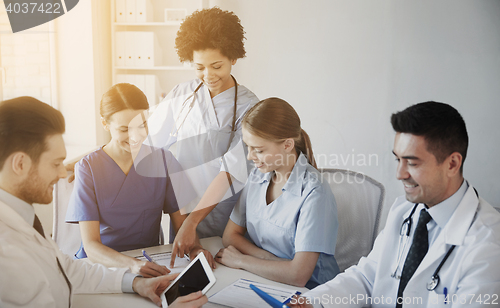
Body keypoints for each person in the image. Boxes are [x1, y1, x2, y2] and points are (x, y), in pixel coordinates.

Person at [0, 97, 207, 308]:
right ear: (20, 163)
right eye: (55, 163)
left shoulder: (24, 221)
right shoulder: (7, 250)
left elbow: (68, 270)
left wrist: (135, 284)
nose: (64, 173)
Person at [290, 101, 500, 308]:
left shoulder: (488, 245)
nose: (400, 174)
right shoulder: (404, 211)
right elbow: (366, 278)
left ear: (452, 164)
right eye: (398, 160)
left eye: (413, 163)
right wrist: (313, 302)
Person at [144, 7, 260, 265]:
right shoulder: (181, 94)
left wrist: (193, 221)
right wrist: (95, 158)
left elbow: (233, 170)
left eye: (216, 65)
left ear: (234, 59)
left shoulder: (250, 108)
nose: (208, 75)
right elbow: (148, 143)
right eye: (199, 67)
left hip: (225, 217)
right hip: (180, 214)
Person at [64, 83, 213, 278]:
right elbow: (91, 246)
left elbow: (182, 224)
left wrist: (195, 249)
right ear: (105, 124)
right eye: (124, 129)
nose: (135, 136)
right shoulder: (88, 168)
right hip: (102, 266)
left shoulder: (163, 161)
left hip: (149, 261)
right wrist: (132, 265)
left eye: (142, 125)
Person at [214, 98, 340, 289]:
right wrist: (270, 260)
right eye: (248, 147)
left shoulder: (315, 193)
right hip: (266, 279)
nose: (250, 157)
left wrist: (242, 260)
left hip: (311, 292)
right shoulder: (258, 175)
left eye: (258, 150)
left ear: (287, 145)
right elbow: (230, 235)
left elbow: (298, 275)